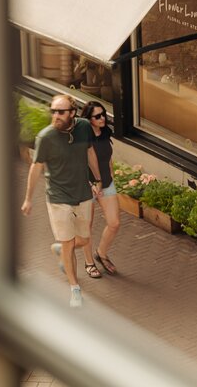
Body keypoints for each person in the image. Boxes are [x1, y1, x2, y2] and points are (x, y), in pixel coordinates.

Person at [21, 94, 103, 307]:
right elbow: (36, 167)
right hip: (58, 196)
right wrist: (28, 199)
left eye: (61, 112)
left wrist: (98, 179)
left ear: (72, 113)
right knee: (68, 243)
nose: (55, 115)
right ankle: (74, 288)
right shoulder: (46, 137)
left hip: (82, 193)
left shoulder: (84, 127)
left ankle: (60, 249)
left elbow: (90, 153)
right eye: (53, 111)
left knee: (84, 239)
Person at [79, 101, 120, 278]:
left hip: (106, 183)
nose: (102, 118)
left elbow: (108, 156)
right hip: (87, 186)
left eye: (103, 114)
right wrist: (91, 184)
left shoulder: (105, 132)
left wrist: (111, 174)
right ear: (89, 119)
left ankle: (101, 253)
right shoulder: (82, 138)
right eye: (97, 116)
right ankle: (89, 263)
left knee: (114, 223)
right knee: (86, 227)